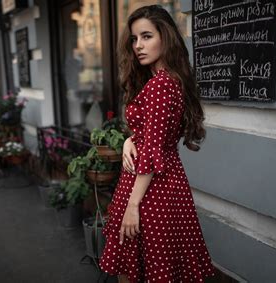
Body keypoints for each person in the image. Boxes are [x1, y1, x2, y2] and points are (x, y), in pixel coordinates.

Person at [99, 5, 216, 283]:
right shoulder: (169, 81)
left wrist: (132, 205)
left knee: (136, 272)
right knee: (157, 269)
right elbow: (156, 137)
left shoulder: (161, 85)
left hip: (152, 192)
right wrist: (130, 139)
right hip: (165, 185)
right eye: (135, 39)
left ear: (166, 37)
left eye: (147, 36)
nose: (138, 45)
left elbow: (152, 151)